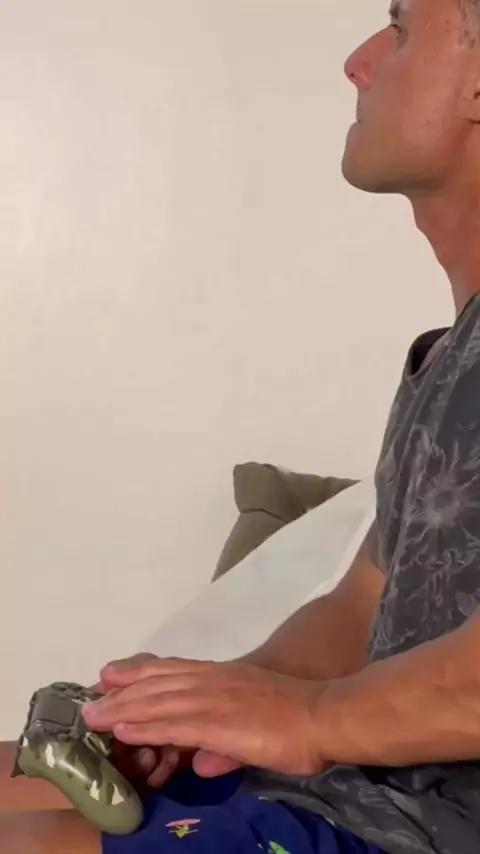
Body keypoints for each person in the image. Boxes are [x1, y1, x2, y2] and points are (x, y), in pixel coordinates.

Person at [5, 0, 480, 851]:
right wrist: (221, 701)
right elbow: (365, 599)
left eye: (403, 27)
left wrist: (317, 718)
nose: (360, 60)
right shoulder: (448, 359)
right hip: (355, 802)